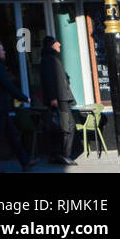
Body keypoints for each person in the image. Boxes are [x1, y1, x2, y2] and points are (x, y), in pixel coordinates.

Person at [0, 42, 35, 172]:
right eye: (2, 50)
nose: (4, 52)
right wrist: (24, 97)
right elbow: (8, 85)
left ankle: (25, 162)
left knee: (12, 135)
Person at [40, 35, 77, 165]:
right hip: (59, 98)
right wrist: (53, 98)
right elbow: (50, 80)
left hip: (60, 97)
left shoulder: (50, 58)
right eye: (56, 42)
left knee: (59, 126)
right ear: (51, 45)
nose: (60, 44)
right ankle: (64, 154)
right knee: (68, 125)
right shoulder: (50, 59)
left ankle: (55, 154)